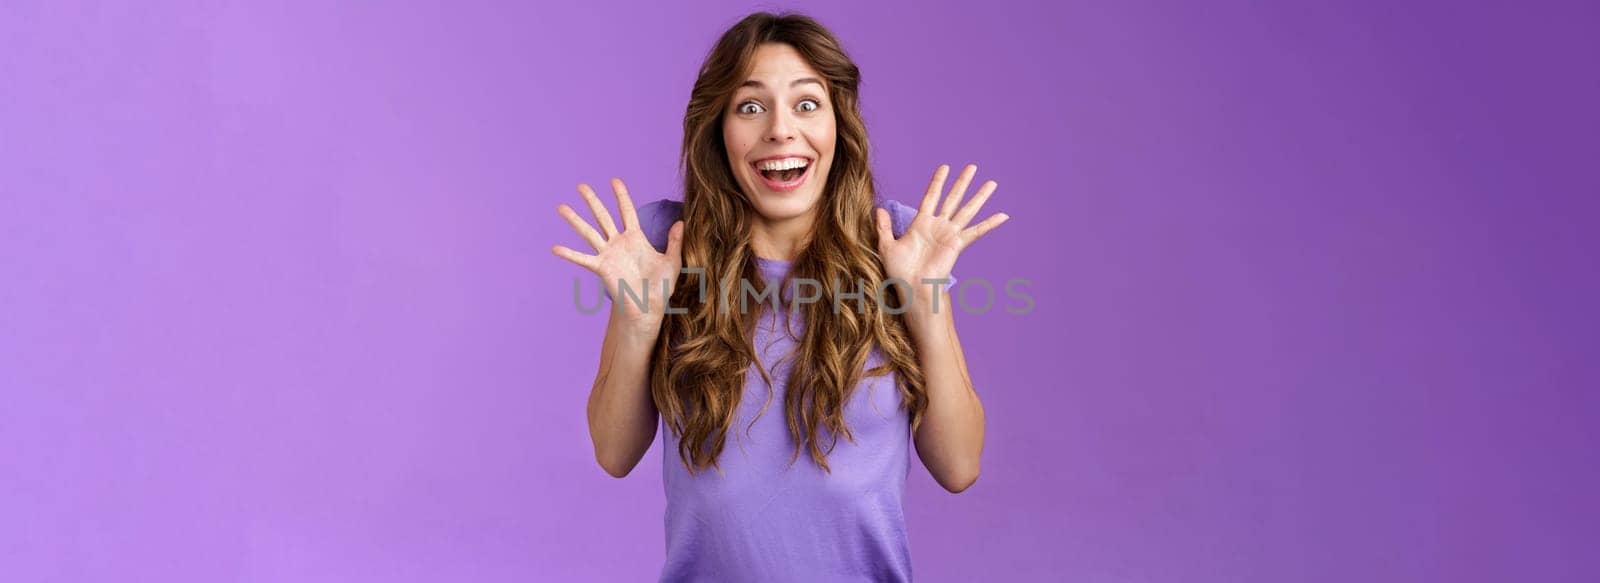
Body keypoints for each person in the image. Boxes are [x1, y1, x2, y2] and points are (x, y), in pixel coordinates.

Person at [550, 11, 1009, 582]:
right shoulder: (662, 248)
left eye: (807, 104)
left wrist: (926, 301)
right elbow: (614, 454)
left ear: (840, 124)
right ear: (717, 129)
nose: (780, 130)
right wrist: (641, 323)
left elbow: (960, 466)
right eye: (750, 107)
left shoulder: (897, 244)